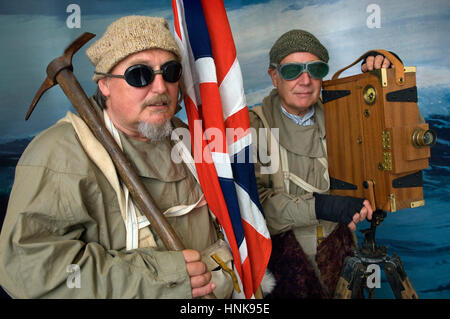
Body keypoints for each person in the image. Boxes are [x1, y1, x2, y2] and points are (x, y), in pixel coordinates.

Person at [0, 16, 235, 299]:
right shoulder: (61, 154)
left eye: (170, 72)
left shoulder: (185, 136)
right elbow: (30, 269)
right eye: (140, 75)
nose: (160, 87)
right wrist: (160, 277)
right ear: (105, 85)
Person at [249, 30, 393, 298]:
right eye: (292, 70)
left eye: (315, 69)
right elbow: (255, 208)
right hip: (284, 266)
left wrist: (387, 78)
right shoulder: (254, 127)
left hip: (341, 257)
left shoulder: (342, 112)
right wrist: (323, 206)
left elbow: (392, 138)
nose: (305, 80)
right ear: (274, 76)